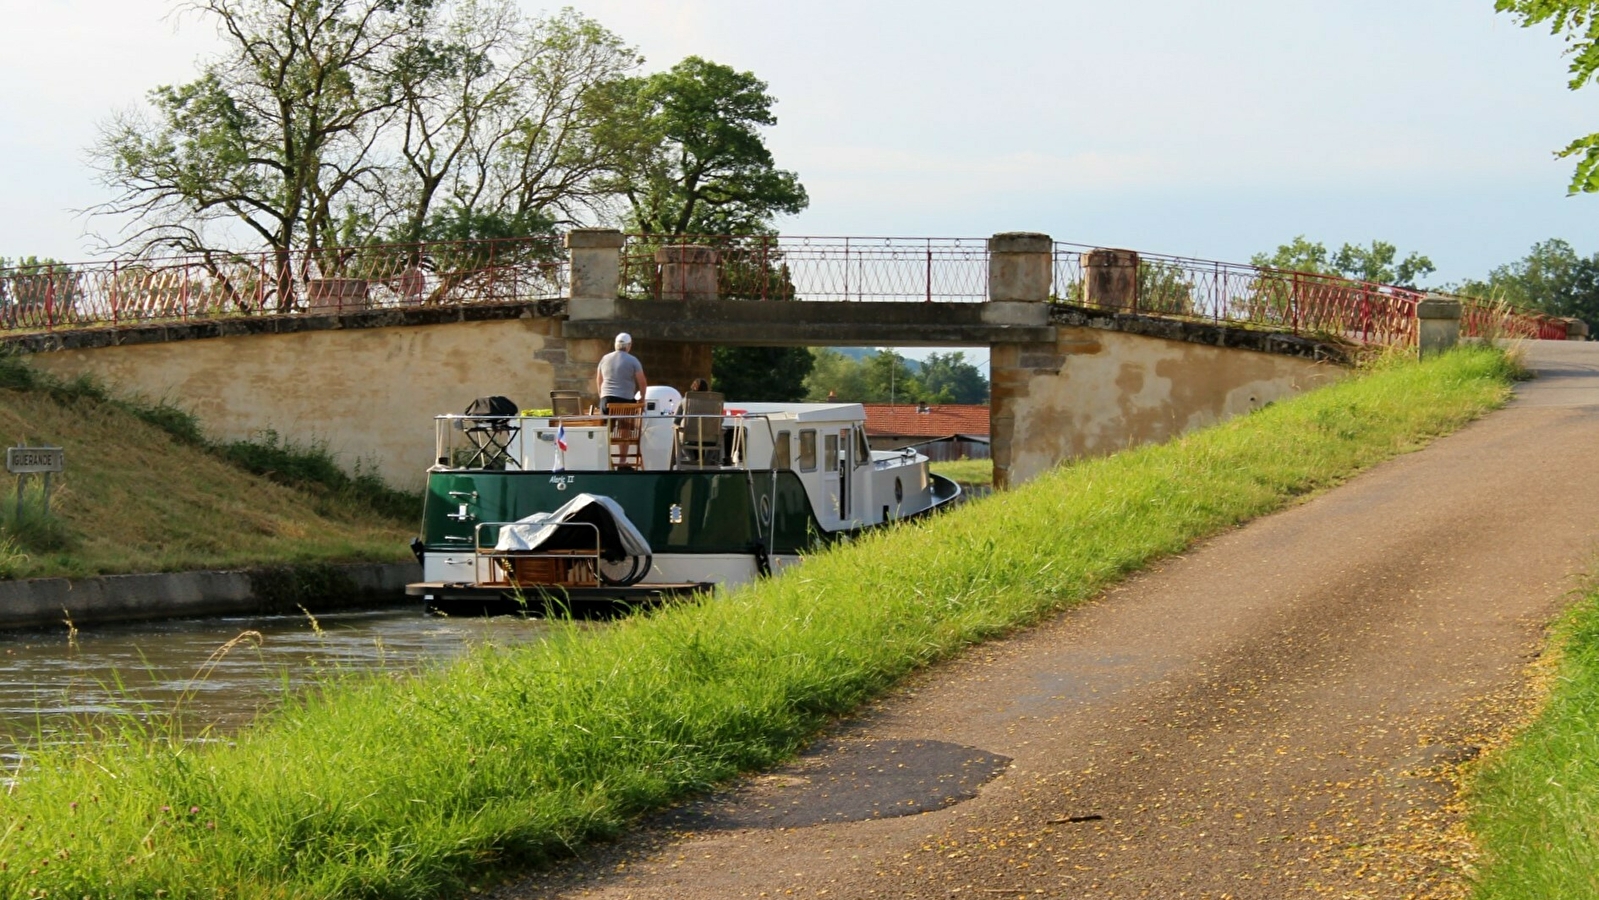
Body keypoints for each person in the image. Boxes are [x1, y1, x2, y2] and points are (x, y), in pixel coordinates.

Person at [596, 332, 647, 413]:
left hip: (606, 400)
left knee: (607, 425)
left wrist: (602, 396)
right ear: (629, 345)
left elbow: (599, 380)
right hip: (625, 401)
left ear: (615, 344)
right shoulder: (633, 360)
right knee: (627, 424)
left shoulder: (604, 359)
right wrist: (642, 399)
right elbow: (642, 383)